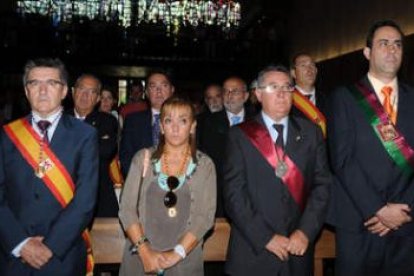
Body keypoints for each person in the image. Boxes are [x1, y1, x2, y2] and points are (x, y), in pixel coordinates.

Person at [223, 65, 331, 276]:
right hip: (253, 253)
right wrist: (266, 237)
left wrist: (305, 231)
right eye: (273, 87)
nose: (282, 94)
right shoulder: (240, 136)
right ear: (258, 94)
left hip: (297, 250)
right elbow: (233, 195)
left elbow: (322, 186)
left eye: (287, 87)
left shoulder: (311, 133)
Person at [327, 20, 414, 276]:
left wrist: (405, 210)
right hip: (359, 221)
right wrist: (378, 209)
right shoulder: (344, 98)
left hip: (405, 225)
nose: (392, 50)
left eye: (397, 45)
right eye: (383, 44)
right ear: (367, 53)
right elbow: (342, 160)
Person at [0, 58, 98, 275]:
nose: (43, 90)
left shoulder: (85, 136)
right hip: (15, 257)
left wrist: (51, 245)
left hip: (64, 255)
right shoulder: (7, 135)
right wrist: (20, 243)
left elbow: (85, 201)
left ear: (64, 91)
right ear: (26, 91)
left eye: (52, 83)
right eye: (35, 83)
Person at [118, 97, 216, 275]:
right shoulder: (143, 159)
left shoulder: (205, 165)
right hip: (141, 260)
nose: (175, 128)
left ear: (193, 126)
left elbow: (204, 216)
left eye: (183, 120)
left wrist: (177, 254)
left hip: (184, 261)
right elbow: (127, 209)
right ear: (161, 127)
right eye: (169, 120)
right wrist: (145, 251)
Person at [198, 76, 254, 217]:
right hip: (219, 194)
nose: (229, 96)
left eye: (234, 91)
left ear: (246, 96)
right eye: (226, 92)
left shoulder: (258, 121)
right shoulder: (207, 123)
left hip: (253, 195)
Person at [68, 74, 119, 217]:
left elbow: (106, 151)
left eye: (92, 92)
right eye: (81, 89)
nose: (85, 95)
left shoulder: (107, 121)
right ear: (73, 92)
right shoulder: (60, 120)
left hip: (99, 194)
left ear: (97, 99)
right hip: (62, 192)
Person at [120, 70, 174, 177]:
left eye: (164, 85)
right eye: (153, 86)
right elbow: (126, 157)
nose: (159, 91)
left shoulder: (184, 120)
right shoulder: (133, 121)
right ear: (147, 93)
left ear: (172, 90)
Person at [290, 53, 327, 137]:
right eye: (303, 65)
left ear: (316, 70)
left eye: (312, 65)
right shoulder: (286, 100)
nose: (309, 69)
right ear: (293, 73)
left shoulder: (327, 100)